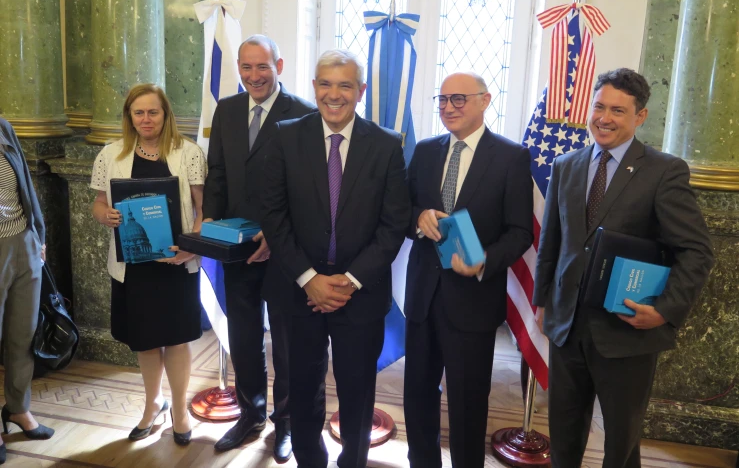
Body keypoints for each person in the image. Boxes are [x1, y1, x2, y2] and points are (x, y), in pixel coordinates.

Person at [533, 68, 714, 468]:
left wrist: (665, 310)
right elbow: (553, 241)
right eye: (599, 106)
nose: (604, 118)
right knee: (563, 436)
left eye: (618, 110)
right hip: (566, 326)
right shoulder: (566, 164)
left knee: (621, 444)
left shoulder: (664, 171)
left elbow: (697, 250)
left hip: (626, 330)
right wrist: (542, 300)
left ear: (640, 116)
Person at [261, 49, 410, 468]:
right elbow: (273, 215)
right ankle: (311, 459)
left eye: (345, 85)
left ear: (360, 91)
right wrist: (309, 278)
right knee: (303, 385)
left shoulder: (386, 145)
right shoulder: (285, 136)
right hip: (298, 291)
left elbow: (393, 225)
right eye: (325, 83)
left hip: (359, 295)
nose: (334, 94)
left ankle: (353, 462)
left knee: (357, 389)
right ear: (313, 87)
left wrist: (349, 281)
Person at [403, 72, 534, 468]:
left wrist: (485, 261)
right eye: (441, 100)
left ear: (485, 100)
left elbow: (520, 232)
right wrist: (419, 216)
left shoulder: (511, 157)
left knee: (468, 402)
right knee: (418, 395)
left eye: (458, 99)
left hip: (473, 301)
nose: (447, 108)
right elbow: (400, 209)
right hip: (423, 295)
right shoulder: (425, 151)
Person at [202, 34, 315, 460]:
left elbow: (308, 192)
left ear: (279, 65)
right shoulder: (228, 110)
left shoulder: (303, 113)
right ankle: (250, 414)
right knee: (244, 336)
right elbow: (217, 174)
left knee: (286, 342)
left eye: (262, 67)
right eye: (246, 67)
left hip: (284, 251)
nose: (254, 76)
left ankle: (284, 424)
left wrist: (275, 235)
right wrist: (211, 219)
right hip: (236, 249)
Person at [90, 84, 206, 446]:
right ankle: (152, 403)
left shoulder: (188, 152)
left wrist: (190, 248)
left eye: (152, 112)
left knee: (176, 339)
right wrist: (105, 215)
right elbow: (98, 203)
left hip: (175, 262)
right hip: (134, 265)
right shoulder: (110, 154)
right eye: (138, 113)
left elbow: (204, 211)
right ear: (129, 117)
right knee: (144, 341)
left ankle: (181, 410)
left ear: (165, 114)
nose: (145, 119)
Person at [0, 117, 55, 464]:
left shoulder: (3, 127)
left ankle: (18, 409)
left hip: (22, 242)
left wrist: (38, 233)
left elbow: (25, 186)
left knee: (22, 335)